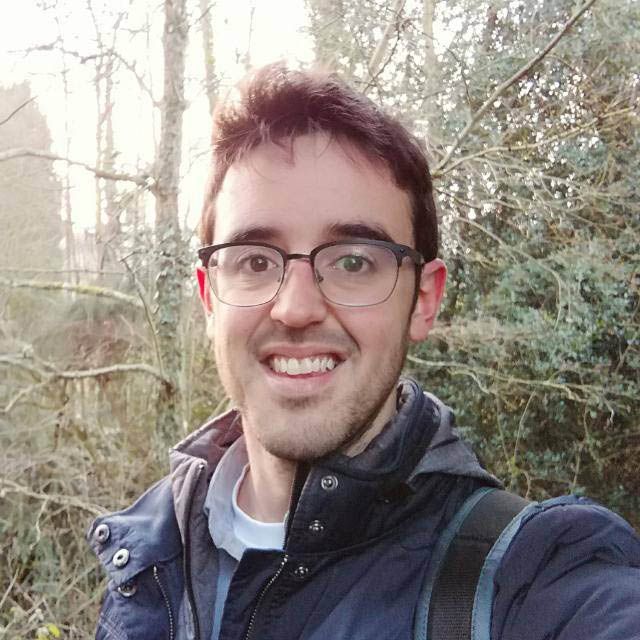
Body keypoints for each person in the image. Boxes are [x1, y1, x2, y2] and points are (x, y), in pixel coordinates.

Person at [87, 64, 640, 640]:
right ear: (208, 297)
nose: (295, 308)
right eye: (255, 261)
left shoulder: (534, 577)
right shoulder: (148, 558)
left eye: (353, 262)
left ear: (423, 300)